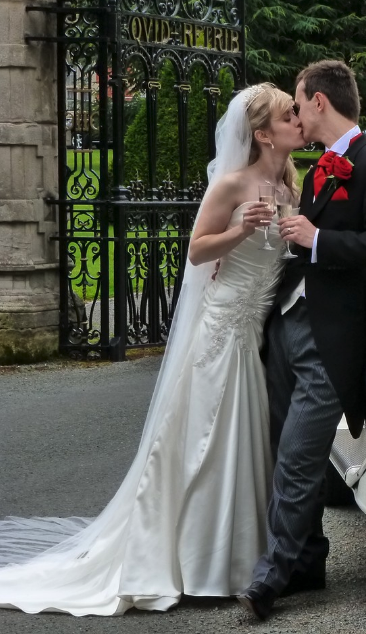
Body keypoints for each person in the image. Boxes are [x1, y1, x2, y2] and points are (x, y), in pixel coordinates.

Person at [0, 83, 305, 616]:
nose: (299, 120)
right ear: (262, 134)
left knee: (245, 441)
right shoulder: (232, 184)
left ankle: (240, 562)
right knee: (205, 441)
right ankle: (190, 563)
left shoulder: (289, 185)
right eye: (288, 115)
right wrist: (240, 231)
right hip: (221, 328)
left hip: (255, 330)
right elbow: (197, 251)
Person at [237, 60, 366, 620]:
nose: (294, 112)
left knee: (297, 456)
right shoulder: (316, 171)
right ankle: (308, 561)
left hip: (332, 338)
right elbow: (304, 250)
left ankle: (270, 577)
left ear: (319, 101)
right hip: (286, 326)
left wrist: (318, 239)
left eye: (297, 102)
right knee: (281, 449)